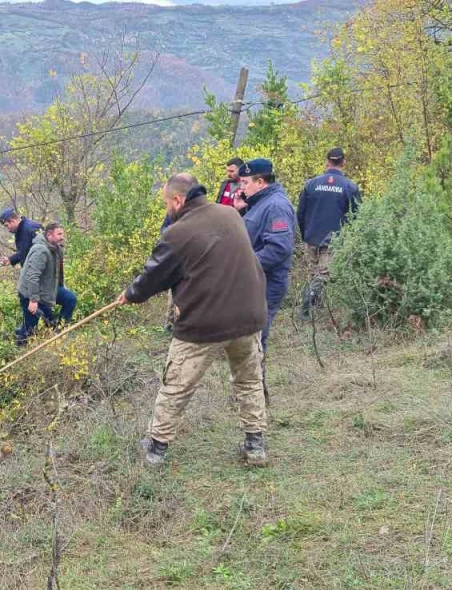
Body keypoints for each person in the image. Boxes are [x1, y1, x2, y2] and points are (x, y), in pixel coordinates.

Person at [115, 173, 270, 468]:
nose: (166, 208)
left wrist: (131, 294)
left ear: (178, 200)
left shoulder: (177, 233)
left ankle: (156, 450)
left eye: (166, 202)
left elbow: (154, 276)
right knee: (249, 380)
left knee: (176, 385)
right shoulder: (230, 214)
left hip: (203, 323)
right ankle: (255, 447)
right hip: (248, 316)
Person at [237, 158, 295, 367]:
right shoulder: (260, 203)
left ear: (260, 182)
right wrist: (241, 210)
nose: (241, 188)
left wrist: (242, 266)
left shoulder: (275, 206)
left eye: (245, 182)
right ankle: (249, 384)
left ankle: (256, 385)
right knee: (247, 340)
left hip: (266, 284)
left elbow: (278, 248)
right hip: (255, 282)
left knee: (254, 341)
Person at [296, 147, 361, 316]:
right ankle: (306, 310)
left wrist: (305, 234)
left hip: (311, 236)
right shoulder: (350, 186)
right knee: (323, 275)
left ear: (327, 162)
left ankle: (315, 312)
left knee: (314, 274)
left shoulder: (311, 184)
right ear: (343, 162)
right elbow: (357, 216)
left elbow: (300, 213)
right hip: (334, 239)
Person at [16, 222, 71, 345]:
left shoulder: (56, 248)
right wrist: (33, 300)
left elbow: (57, 271)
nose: (62, 237)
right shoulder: (40, 250)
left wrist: (61, 286)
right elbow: (32, 276)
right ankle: (21, 346)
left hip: (46, 289)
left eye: (62, 234)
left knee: (69, 299)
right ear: (49, 235)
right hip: (30, 294)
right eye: (59, 234)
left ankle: (59, 332)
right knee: (30, 329)